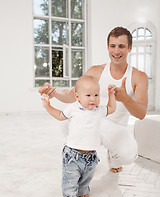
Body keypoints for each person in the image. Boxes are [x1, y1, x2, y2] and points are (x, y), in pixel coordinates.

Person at [39, 26, 148, 173]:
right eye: (112, 46)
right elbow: (73, 94)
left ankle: (114, 156)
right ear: (108, 47)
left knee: (128, 155)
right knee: (66, 122)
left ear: (130, 48)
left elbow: (141, 113)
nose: (116, 51)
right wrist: (54, 92)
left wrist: (125, 98)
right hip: (93, 119)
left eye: (121, 46)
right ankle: (86, 152)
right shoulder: (95, 71)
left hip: (115, 128)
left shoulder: (138, 77)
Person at [41, 75, 116, 197]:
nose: (93, 99)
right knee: (70, 180)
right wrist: (47, 106)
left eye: (96, 95)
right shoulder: (73, 108)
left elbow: (111, 108)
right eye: (88, 95)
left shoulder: (99, 110)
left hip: (91, 156)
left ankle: (82, 189)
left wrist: (112, 94)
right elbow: (59, 115)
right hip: (72, 155)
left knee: (87, 176)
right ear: (77, 96)